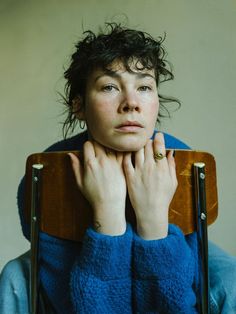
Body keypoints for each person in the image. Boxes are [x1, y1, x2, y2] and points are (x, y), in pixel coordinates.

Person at [0, 22, 236, 314]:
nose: (131, 103)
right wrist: (107, 217)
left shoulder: (187, 166)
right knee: (14, 275)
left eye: (145, 87)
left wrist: (154, 222)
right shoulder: (47, 174)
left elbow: (172, 306)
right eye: (110, 86)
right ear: (79, 106)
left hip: (172, 270)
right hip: (82, 284)